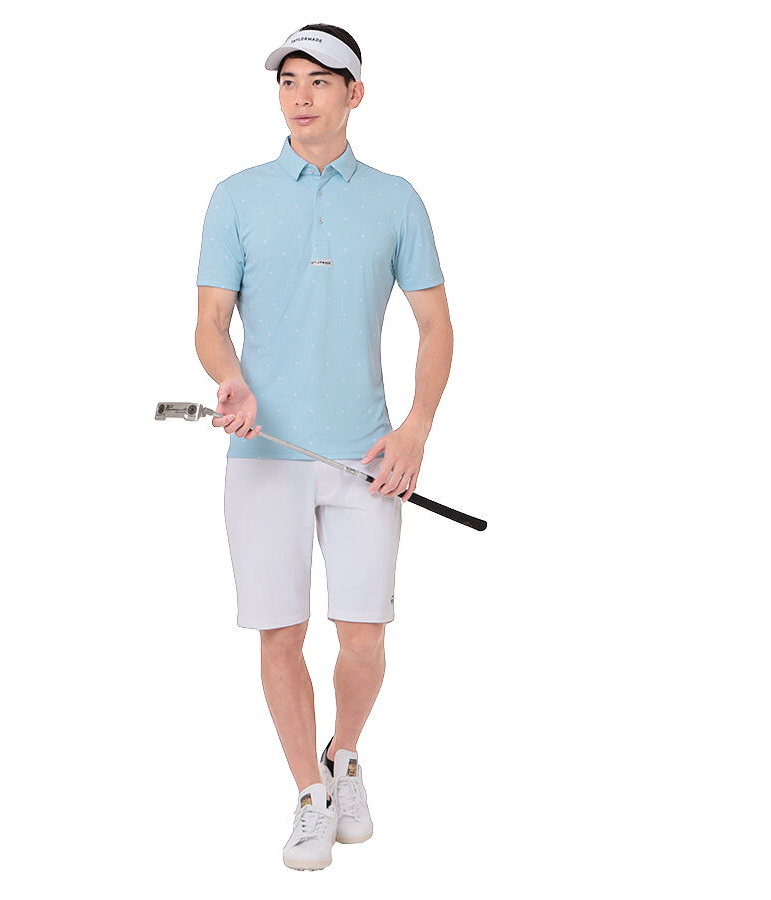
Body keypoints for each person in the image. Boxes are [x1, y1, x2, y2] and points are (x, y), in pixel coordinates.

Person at [194, 24, 453, 871]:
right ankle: (310, 793)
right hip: (263, 457)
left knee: (363, 634)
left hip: (366, 461)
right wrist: (231, 381)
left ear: (355, 93)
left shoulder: (396, 199)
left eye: (319, 80)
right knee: (279, 635)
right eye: (288, 81)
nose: (300, 96)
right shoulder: (235, 196)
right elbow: (209, 323)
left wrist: (415, 428)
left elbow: (435, 325)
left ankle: (344, 755)